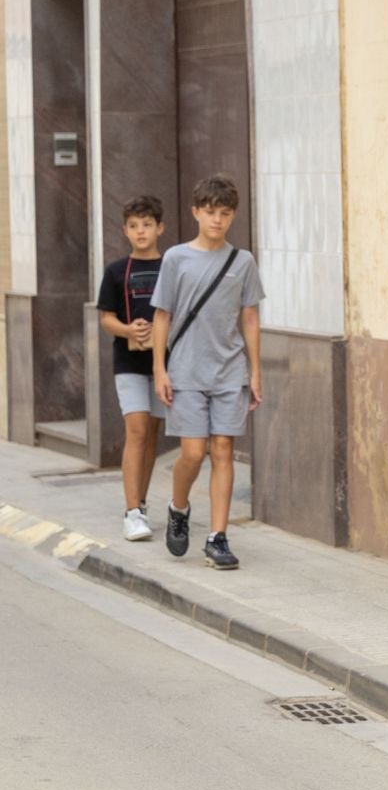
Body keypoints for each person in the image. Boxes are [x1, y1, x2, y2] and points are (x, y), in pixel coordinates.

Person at [151, 175, 264, 571]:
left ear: (233, 215)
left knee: (223, 450)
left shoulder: (243, 261)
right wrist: (159, 369)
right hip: (184, 371)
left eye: (225, 213)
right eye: (210, 212)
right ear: (196, 212)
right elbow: (162, 314)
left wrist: (255, 371)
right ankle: (178, 507)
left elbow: (249, 318)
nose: (217, 220)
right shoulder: (176, 258)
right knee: (193, 453)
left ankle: (217, 538)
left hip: (229, 371)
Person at [95, 195, 169, 541]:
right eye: (134, 226)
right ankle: (131, 512)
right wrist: (128, 330)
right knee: (136, 429)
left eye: (147, 225)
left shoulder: (172, 266)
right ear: (125, 231)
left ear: (160, 228)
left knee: (152, 432)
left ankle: (141, 501)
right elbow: (106, 318)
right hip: (128, 361)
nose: (141, 232)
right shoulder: (115, 271)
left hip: (165, 363)